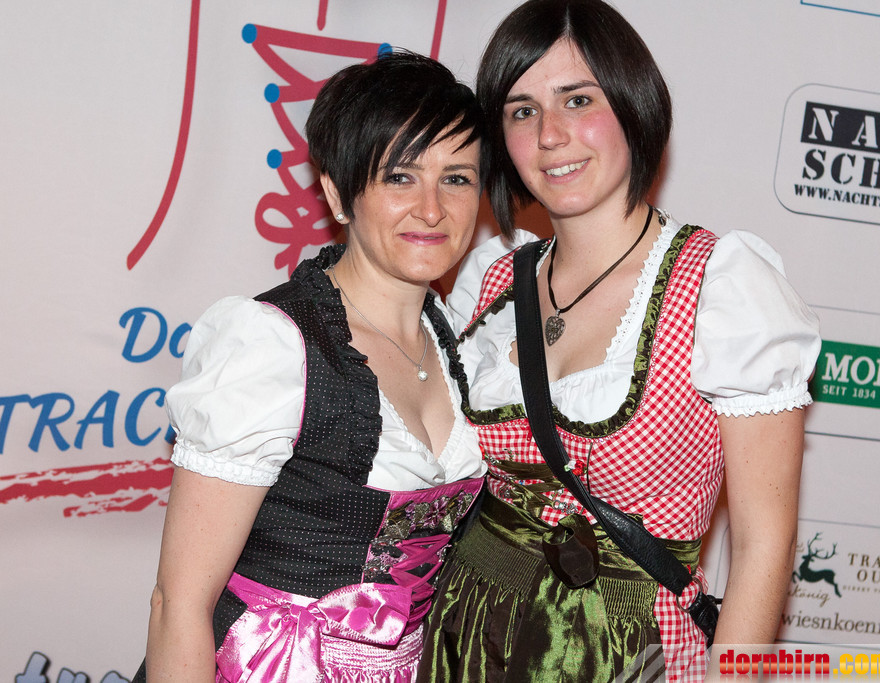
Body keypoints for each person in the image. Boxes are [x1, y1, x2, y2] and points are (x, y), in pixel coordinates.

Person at [417, 1, 821, 681]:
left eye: (577, 100)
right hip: (467, 632)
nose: (550, 135)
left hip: (627, 648)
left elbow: (763, 546)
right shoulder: (492, 279)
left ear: (634, 104)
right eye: (521, 110)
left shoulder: (720, 286)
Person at [135, 51, 487, 683]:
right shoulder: (272, 343)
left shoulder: (461, 338)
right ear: (337, 193)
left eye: (456, 178)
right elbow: (178, 605)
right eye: (400, 177)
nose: (432, 208)